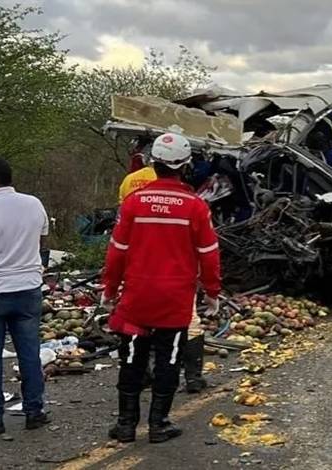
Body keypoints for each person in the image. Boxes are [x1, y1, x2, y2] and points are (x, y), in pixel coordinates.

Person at [103, 133, 221, 444]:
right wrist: (212, 292)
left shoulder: (133, 202)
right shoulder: (195, 206)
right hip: (175, 299)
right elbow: (209, 254)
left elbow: (117, 251)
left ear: (154, 163)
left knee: (131, 359)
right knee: (169, 358)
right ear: (185, 166)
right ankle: (159, 424)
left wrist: (109, 290)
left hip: (136, 298)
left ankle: (126, 425)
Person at [117, 146, 210, 394]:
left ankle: (141, 378)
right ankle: (191, 377)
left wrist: (111, 283)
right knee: (188, 323)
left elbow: (120, 236)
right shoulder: (192, 202)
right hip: (176, 272)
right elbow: (207, 249)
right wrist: (212, 289)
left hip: (138, 270)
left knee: (138, 326)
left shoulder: (130, 185)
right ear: (183, 165)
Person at [0, 157, 51, 435]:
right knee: (29, 352)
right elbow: (41, 241)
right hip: (28, 287)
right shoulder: (33, 204)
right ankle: (34, 412)